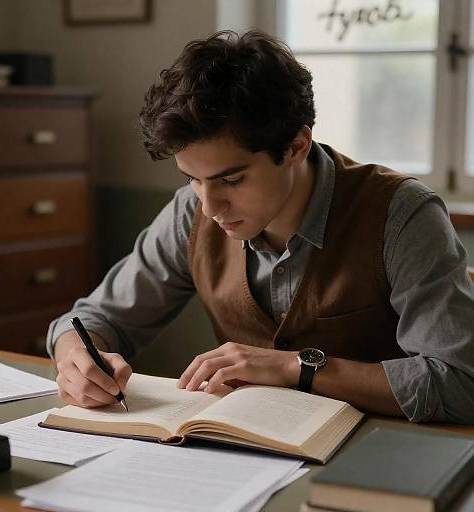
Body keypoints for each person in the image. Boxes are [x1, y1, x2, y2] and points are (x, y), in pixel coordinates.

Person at [48, 30, 474, 423]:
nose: (210, 205)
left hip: (383, 462)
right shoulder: (189, 212)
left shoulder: (402, 214)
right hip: (245, 455)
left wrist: (296, 368)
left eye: (230, 180)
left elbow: (461, 383)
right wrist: (77, 359)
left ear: (295, 146)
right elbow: (92, 319)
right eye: (192, 179)